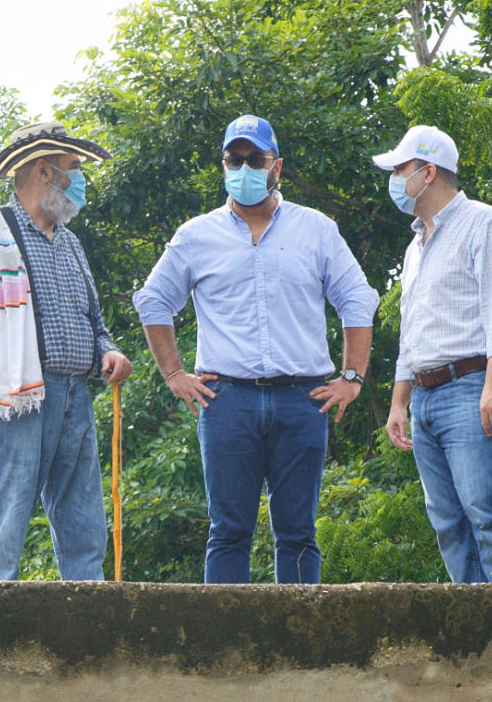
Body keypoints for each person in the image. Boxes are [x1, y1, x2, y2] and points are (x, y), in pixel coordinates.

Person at [134, 115, 379, 584]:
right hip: (227, 400)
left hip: (302, 399)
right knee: (228, 531)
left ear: (276, 167)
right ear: (224, 165)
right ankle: (227, 654)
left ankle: (299, 646)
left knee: (298, 532)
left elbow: (357, 297)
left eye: (255, 159)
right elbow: (154, 301)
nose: (244, 167)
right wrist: (173, 375)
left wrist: (352, 378)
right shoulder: (195, 235)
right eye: (234, 159)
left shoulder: (316, 229)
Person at [0, 121, 132, 581]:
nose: (80, 181)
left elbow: (95, 326)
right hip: (13, 401)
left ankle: (88, 633)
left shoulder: (70, 244)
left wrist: (110, 352)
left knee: (85, 528)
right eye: (74, 169)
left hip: (74, 398)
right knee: (4, 526)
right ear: (45, 172)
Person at [376, 125, 492, 584]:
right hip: (424, 396)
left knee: (486, 509)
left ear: (427, 173)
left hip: (472, 386)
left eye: (400, 168)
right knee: (448, 523)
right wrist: (398, 402)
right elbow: (413, 330)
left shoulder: (484, 223)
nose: (395, 178)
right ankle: (476, 634)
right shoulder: (415, 247)